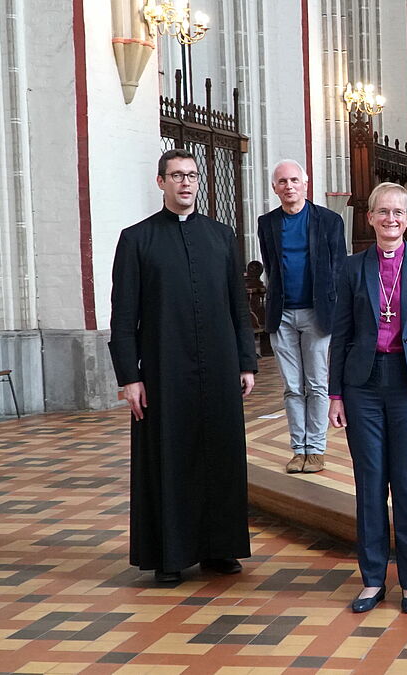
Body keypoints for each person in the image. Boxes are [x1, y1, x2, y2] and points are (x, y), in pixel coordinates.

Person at [109, 148, 257, 584]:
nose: (185, 183)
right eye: (176, 176)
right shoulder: (137, 239)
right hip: (162, 369)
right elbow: (122, 316)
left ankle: (221, 549)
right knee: (169, 455)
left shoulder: (221, 236)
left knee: (222, 452)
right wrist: (129, 378)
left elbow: (237, 305)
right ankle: (170, 554)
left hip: (219, 364)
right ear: (161, 183)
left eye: (191, 175)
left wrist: (246, 362)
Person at [328, 182, 407, 614]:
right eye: (383, 212)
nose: (391, 219)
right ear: (371, 217)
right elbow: (340, 334)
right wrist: (336, 393)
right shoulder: (350, 267)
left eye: (399, 212)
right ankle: (373, 579)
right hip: (362, 384)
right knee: (370, 482)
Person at [257, 159, 347, 474]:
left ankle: (317, 449)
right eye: (282, 182)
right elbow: (271, 267)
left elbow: (338, 269)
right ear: (275, 188)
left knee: (317, 383)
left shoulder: (329, 220)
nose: (289, 186)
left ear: (305, 183)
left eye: (294, 180)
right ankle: (299, 449)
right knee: (292, 386)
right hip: (281, 313)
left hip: (317, 312)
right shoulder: (266, 223)